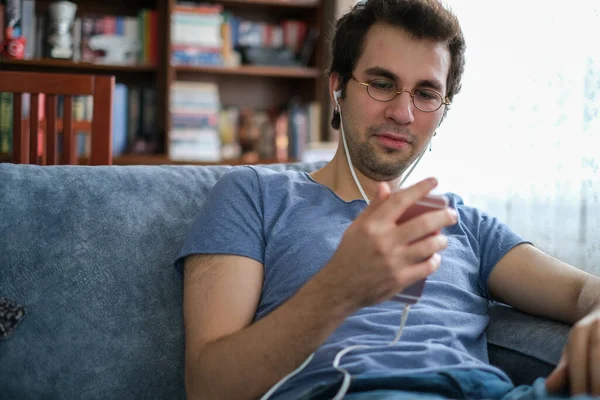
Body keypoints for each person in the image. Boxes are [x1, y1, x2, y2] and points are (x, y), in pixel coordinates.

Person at [175, 1, 600, 399]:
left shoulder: (462, 222)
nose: (403, 113)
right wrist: (340, 287)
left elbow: (581, 292)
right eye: (382, 83)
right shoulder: (253, 195)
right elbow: (209, 385)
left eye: (427, 94)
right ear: (337, 88)